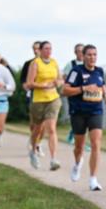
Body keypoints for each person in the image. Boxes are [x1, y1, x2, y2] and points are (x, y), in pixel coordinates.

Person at [62, 44, 106, 190]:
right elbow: (65, 90)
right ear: (83, 56)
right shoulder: (76, 71)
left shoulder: (99, 71)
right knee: (79, 146)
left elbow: (102, 86)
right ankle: (78, 164)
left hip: (96, 111)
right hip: (78, 112)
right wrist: (83, 88)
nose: (92, 57)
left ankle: (93, 179)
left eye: (94, 54)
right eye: (89, 55)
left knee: (96, 144)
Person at [25, 41, 63, 170]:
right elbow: (29, 83)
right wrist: (43, 85)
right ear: (40, 50)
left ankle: (53, 159)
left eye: (50, 48)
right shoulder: (35, 63)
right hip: (38, 100)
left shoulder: (54, 62)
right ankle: (33, 151)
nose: (49, 51)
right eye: (46, 48)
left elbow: (60, 79)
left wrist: (57, 83)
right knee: (37, 129)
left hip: (53, 99)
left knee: (51, 128)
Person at [18, 41, 41, 145]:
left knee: (44, 122)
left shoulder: (49, 63)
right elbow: (23, 79)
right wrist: (25, 86)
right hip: (32, 94)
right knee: (33, 120)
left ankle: (38, 143)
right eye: (34, 49)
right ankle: (33, 140)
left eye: (37, 48)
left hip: (46, 94)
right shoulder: (28, 64)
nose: (35, 51)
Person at [65, 43, 84, 145]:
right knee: (76, 115)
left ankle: (80, 139)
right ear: (75, 52)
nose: (80, 53)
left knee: (86, 117)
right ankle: (73, 135)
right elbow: (65, 77)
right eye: (78, 51)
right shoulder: (71, 65)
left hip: (86, 95)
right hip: (74, 94)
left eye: (82, 51)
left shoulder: (88, 64)